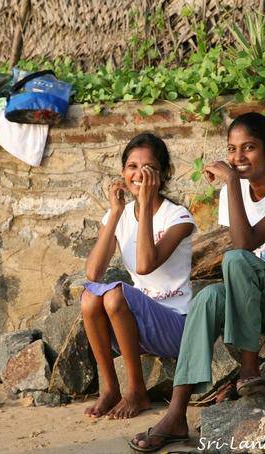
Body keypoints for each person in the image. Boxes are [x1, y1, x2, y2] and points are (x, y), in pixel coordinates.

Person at [130, 112, 265, 451]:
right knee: (207, 299)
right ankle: (176, 413)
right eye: (232, 149)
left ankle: (249, 368)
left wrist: (231, 184)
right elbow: (243, 251)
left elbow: (244, 246)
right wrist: (233, 188)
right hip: (261, 299)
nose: (238, 158)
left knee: (235, 258)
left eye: (249, 148)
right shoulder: (234, 192)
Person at [81, 133, 197, 419]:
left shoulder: (178, 217)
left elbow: (146, 265)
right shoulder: (118, 214)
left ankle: (137, 391)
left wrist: (145, 206)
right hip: (134, 328)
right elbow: (93, 273)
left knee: (116, 295)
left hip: (176, 325)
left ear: (163, 174)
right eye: (132, 167)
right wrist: (116, 212)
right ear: (123, 172)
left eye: (149, 168)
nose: (139, 174)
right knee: (89, 298)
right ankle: (110, 388)